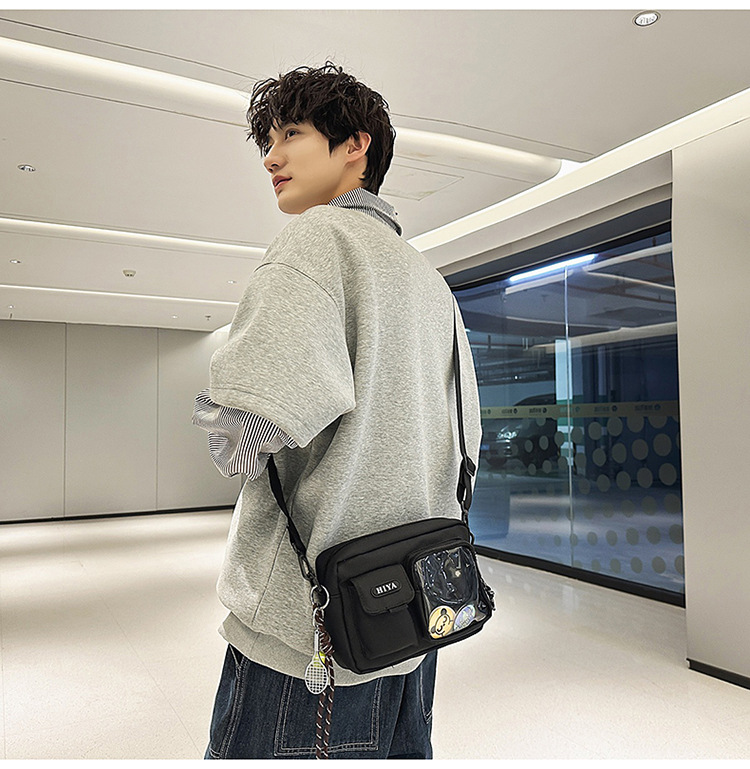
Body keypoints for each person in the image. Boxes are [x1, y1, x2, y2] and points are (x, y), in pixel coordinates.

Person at [192, 61, 481, 759]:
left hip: (310, 639)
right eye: (268, 141)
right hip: (417, 618)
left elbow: (243, 439)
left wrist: (219, 407)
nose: (271, 157)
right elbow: (468, 444)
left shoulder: (318, 240)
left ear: (356, 145)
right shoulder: (431, 281)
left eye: (290, 134)